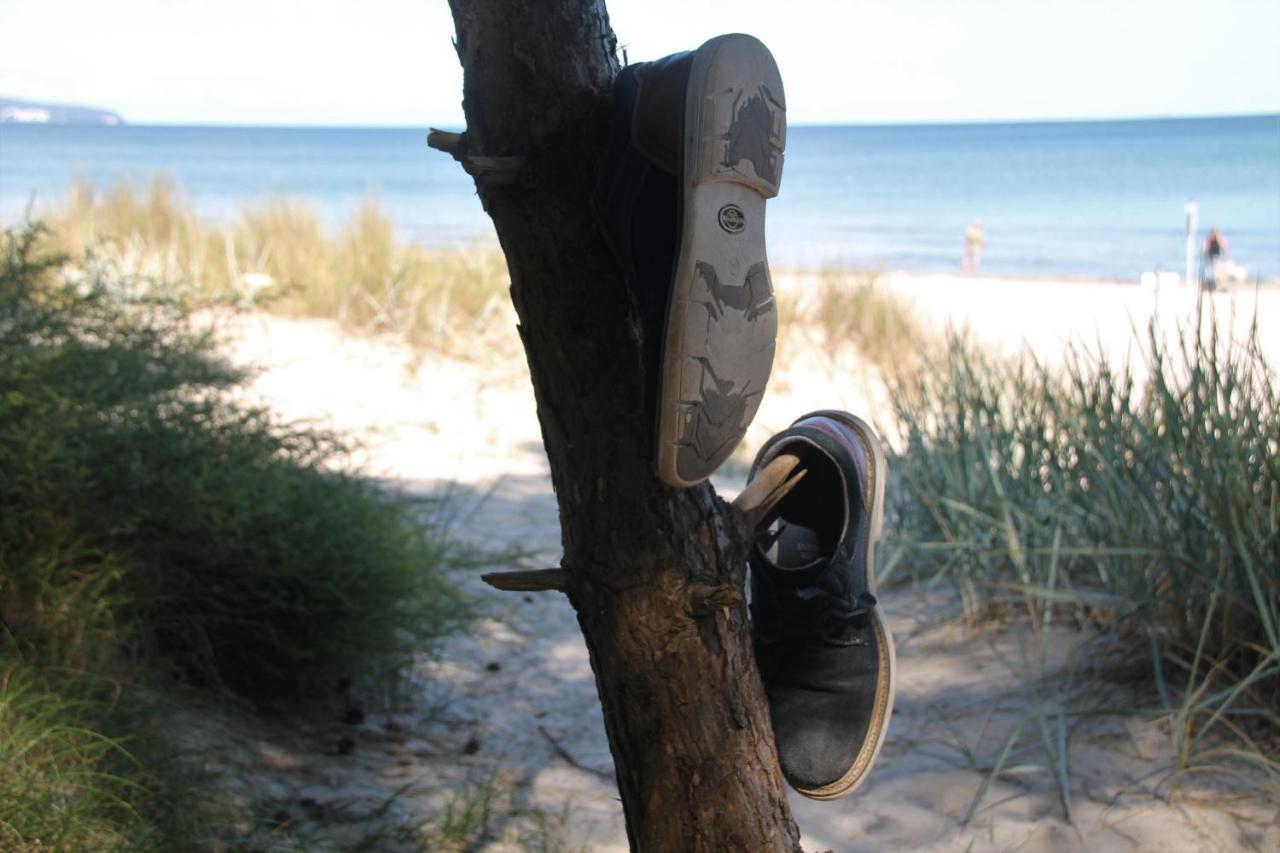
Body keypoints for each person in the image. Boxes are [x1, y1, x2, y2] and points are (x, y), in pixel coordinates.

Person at [1202, 227, 1227, 291]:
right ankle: (1209, 284)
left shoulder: (1218, 238)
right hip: (1210, 256)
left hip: (1216, 256)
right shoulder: (1209, 239)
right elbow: (1206, 247)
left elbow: (1223, 246)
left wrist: (1225, 253)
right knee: (1209, 271)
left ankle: (1213, 284)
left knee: (1214, 271)